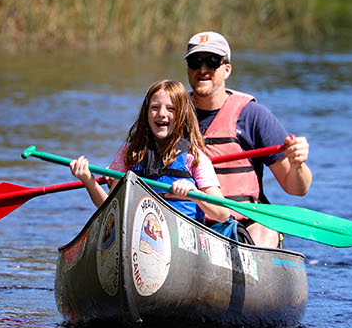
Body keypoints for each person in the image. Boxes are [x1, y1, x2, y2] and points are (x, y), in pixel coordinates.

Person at [183, 31, 310, 248]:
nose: (203, 70)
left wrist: (298, 164)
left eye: (212, 62)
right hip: (186, 223)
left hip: (243, 227)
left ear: (226, 69)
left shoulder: (253, 116)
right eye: (195, 62)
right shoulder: (171, 114)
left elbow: (296, 188)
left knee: (264, 231)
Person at [67, 79, 234, 224]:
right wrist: (88, 181)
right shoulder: (129, 154)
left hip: (183, 235)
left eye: (171, 109)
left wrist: (194, 194)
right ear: (146, 113)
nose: (161, 114)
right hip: (140, 232)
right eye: (155, 107)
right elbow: (110, 207)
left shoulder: (195, 158)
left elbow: (222, 214)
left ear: (182, 115)